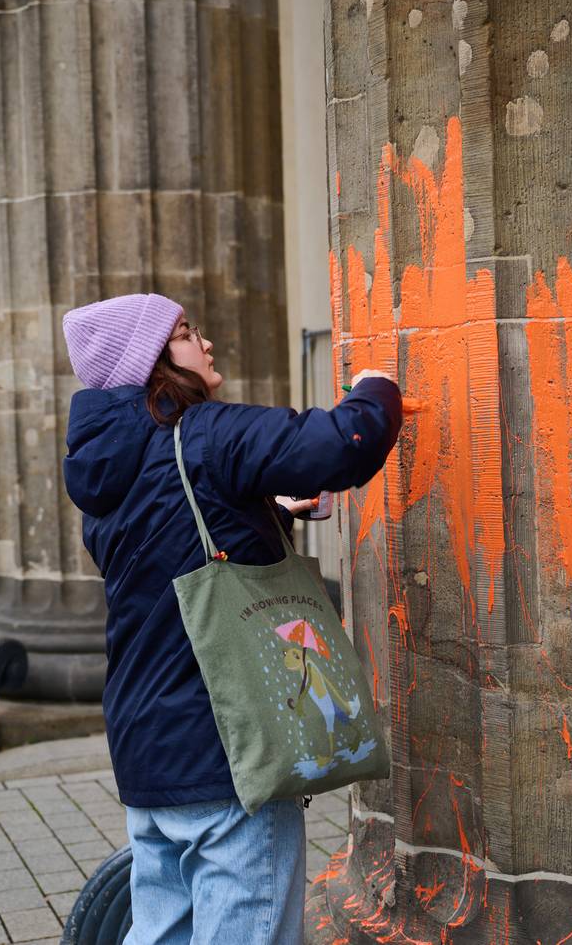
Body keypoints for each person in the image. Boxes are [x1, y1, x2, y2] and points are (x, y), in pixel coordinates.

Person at [61, 293, 402, 945]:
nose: (206, 344)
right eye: (186, 333)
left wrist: (275, 509)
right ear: (152, 362)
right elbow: (344, 443)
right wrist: (376, 387)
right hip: (228, 752)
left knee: (162, 932)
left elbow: (173, 541)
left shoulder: (105, 471)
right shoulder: (209, 434)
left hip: (147, 752)